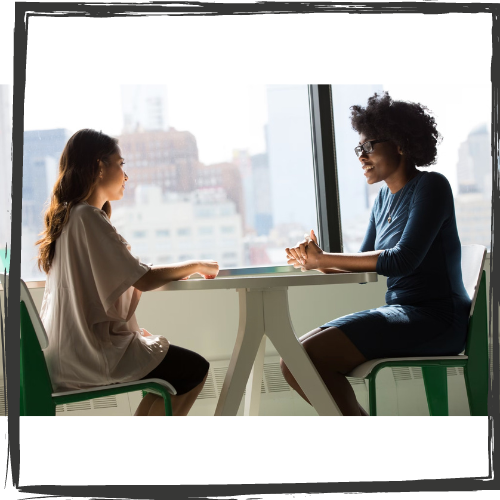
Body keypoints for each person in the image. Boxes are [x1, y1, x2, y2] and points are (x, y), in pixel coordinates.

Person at [281, 91, 471, 416]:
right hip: (403, 312)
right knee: (293, 361)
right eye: (359, 148)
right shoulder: (382, 199)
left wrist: (323, 258)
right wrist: (312, 262)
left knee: (305, 359)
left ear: (399, 143)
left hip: (437, 319)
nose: (361, 156)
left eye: (368, 146)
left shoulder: (432, 186)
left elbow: (401, 259)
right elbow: (363, 270)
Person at [37, 129, 219, 416]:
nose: (126, 175)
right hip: (90, 355)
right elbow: (142, 279)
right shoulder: (86, 217)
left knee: (169, 377)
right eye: (121, 164)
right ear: (99, 166)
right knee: (194, 370)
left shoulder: (69, 218)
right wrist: (196, 265)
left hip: (66, 353)